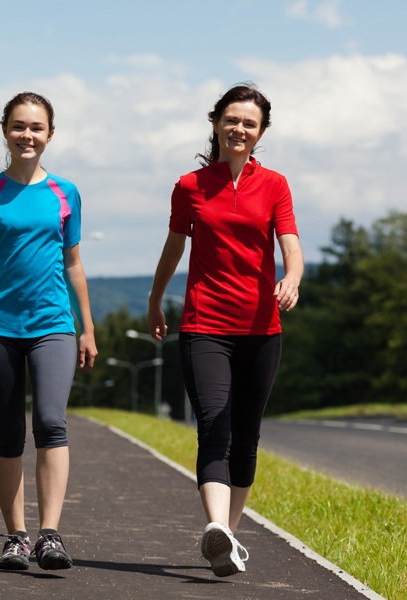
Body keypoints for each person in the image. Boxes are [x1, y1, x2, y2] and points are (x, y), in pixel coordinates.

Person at [146, 83, 303, 577]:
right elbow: (174, 249)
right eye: (231, 120)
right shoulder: (190, 186)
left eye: (249, 124)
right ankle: (217, 526)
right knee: (215, 424)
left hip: (261, 327)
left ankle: (227, 539)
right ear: (216, 123)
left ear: (261, 133)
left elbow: (290, 244)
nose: (239, 129)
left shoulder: (275, 184)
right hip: (204, 324)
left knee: (247, 435)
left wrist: (292, 277)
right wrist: (155, 299)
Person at [0, 92, 98, 571]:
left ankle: (50, 535)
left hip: (53, 325)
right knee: (7, 432)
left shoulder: (66, 193)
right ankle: (16, 536)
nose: (27, 135)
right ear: (5, 131)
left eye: (36, 128)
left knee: (50, 422)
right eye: (19, 126)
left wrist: (86, 327)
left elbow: (74, 263)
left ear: (50, 135)